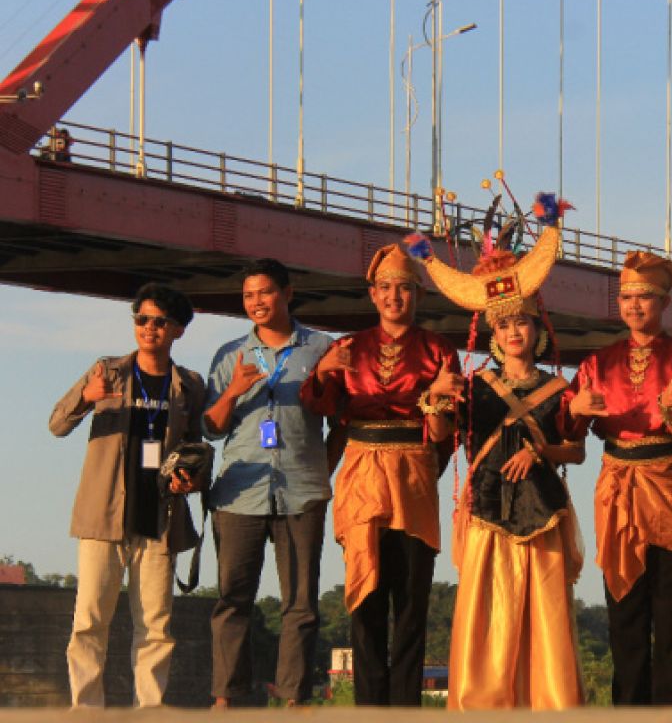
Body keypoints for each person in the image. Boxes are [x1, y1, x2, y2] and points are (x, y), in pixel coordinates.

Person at [412, 199, 585, 709]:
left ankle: (549, 704)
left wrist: (541, 449)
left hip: (543, 507)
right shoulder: (472, 384)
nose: (514, 332)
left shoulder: (559, 388)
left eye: (522, 324)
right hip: (488, 506)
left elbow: (574, 452)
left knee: (545, 613)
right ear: (493, 331)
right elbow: (443, 435)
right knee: (487, 612)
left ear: (536, 329)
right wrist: (438, 400)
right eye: (505, 325)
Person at [299, 244, 461, 706]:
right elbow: (320, 405)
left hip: (413, 472)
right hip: (362, 470)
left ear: (418, 296)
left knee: (411, 602)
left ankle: (406, 708)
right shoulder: (348, 346)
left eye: (405, 289)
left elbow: (445, 430)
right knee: (366, 597)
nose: (395, 297)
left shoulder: (437, 349)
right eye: (386, 288)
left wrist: (436, 402)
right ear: (372, 295)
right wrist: (324, 372)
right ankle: (369, 708)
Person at [562, 250, 672, 706]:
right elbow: (568, 434)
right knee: (624, 609)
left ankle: (670, 710)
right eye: (627, 297)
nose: (635, 306)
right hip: (618, 483)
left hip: (670, 484)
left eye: (645, 296)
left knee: (671, 611)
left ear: (665, 301)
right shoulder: (596, 364)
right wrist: (573, 410)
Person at [50, 283, 204, 708]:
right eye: (142, 320)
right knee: (89, 623)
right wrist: (86, 397)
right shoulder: (108, 371)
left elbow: (196, 450)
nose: (149, 328)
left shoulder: (189, 385)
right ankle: (86, 710)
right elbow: (57, 424)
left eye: (160, 322)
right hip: (103, 516)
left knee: (155, 626)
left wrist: (190, 478)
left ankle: (150, 711)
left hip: (160, 518)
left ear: (178, 331)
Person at [204, 258, 333, 708]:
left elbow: (342, 415)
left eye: (264, 292)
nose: (256, 302)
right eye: (248, 295)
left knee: (300, 602)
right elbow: (212, 427)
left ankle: (295, 699)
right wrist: (233, 390)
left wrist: (322, 468)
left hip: (301, 491)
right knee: (232, 599)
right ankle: (226, 697)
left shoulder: (320, 349)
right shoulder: (229, 355)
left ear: (288, 292)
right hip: (241, 491)